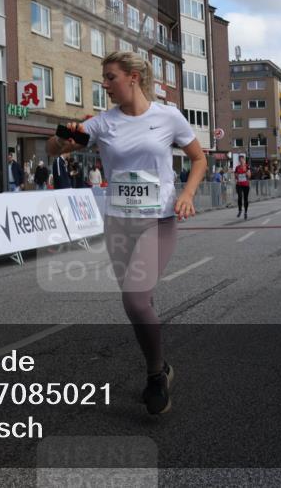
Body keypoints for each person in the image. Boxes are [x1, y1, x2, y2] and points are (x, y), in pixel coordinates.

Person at [47, 50, 205, 415]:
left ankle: (156, 375)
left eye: (110, 77)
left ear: (133, 77)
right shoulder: (103, 123)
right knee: (140, 304)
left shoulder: (168, 117)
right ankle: (158, 366)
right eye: (104, 78)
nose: (105, 85)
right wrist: (63, 136)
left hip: (158, 221)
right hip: (118, 223)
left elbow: (199, 158)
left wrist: (187, 194)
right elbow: (54, 148)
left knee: (134, 300)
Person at [234, 154, 251, 219]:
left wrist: (247, 173)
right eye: (240, 160)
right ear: (239, 160)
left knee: (245, 199)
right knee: (240, 197)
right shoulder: (237, 167)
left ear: (244, 160)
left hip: (246, 185)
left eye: (242, 160)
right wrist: (236, 176)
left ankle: (245, 212)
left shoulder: (247, 166)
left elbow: (249, 176)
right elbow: (235, 176)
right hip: (239, 185)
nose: (241, 161)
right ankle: (240, 210)